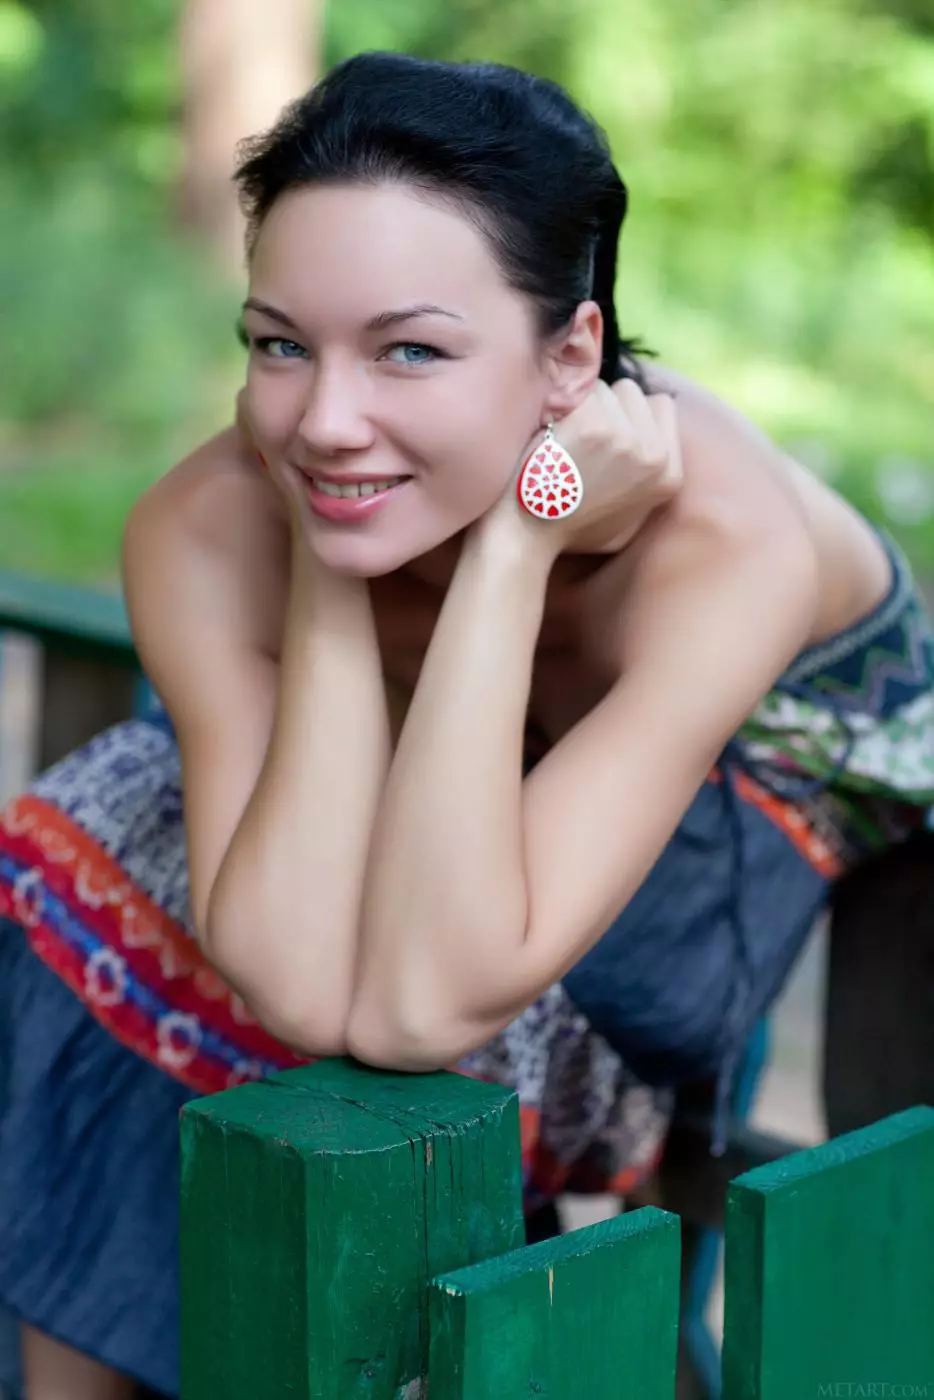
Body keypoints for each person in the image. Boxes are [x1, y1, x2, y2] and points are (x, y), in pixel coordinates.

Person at [2, 49, 934, 1400]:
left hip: (735, 804)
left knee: (391, 975)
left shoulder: (727, 547)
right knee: (116, 828)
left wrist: (514, 548)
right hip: (443, 791)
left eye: (411, 350)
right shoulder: (207, 522)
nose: (328, 421)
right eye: (280, 344)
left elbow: (417, 1007)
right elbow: (300, 981)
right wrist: (330, 562)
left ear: (571, 355)